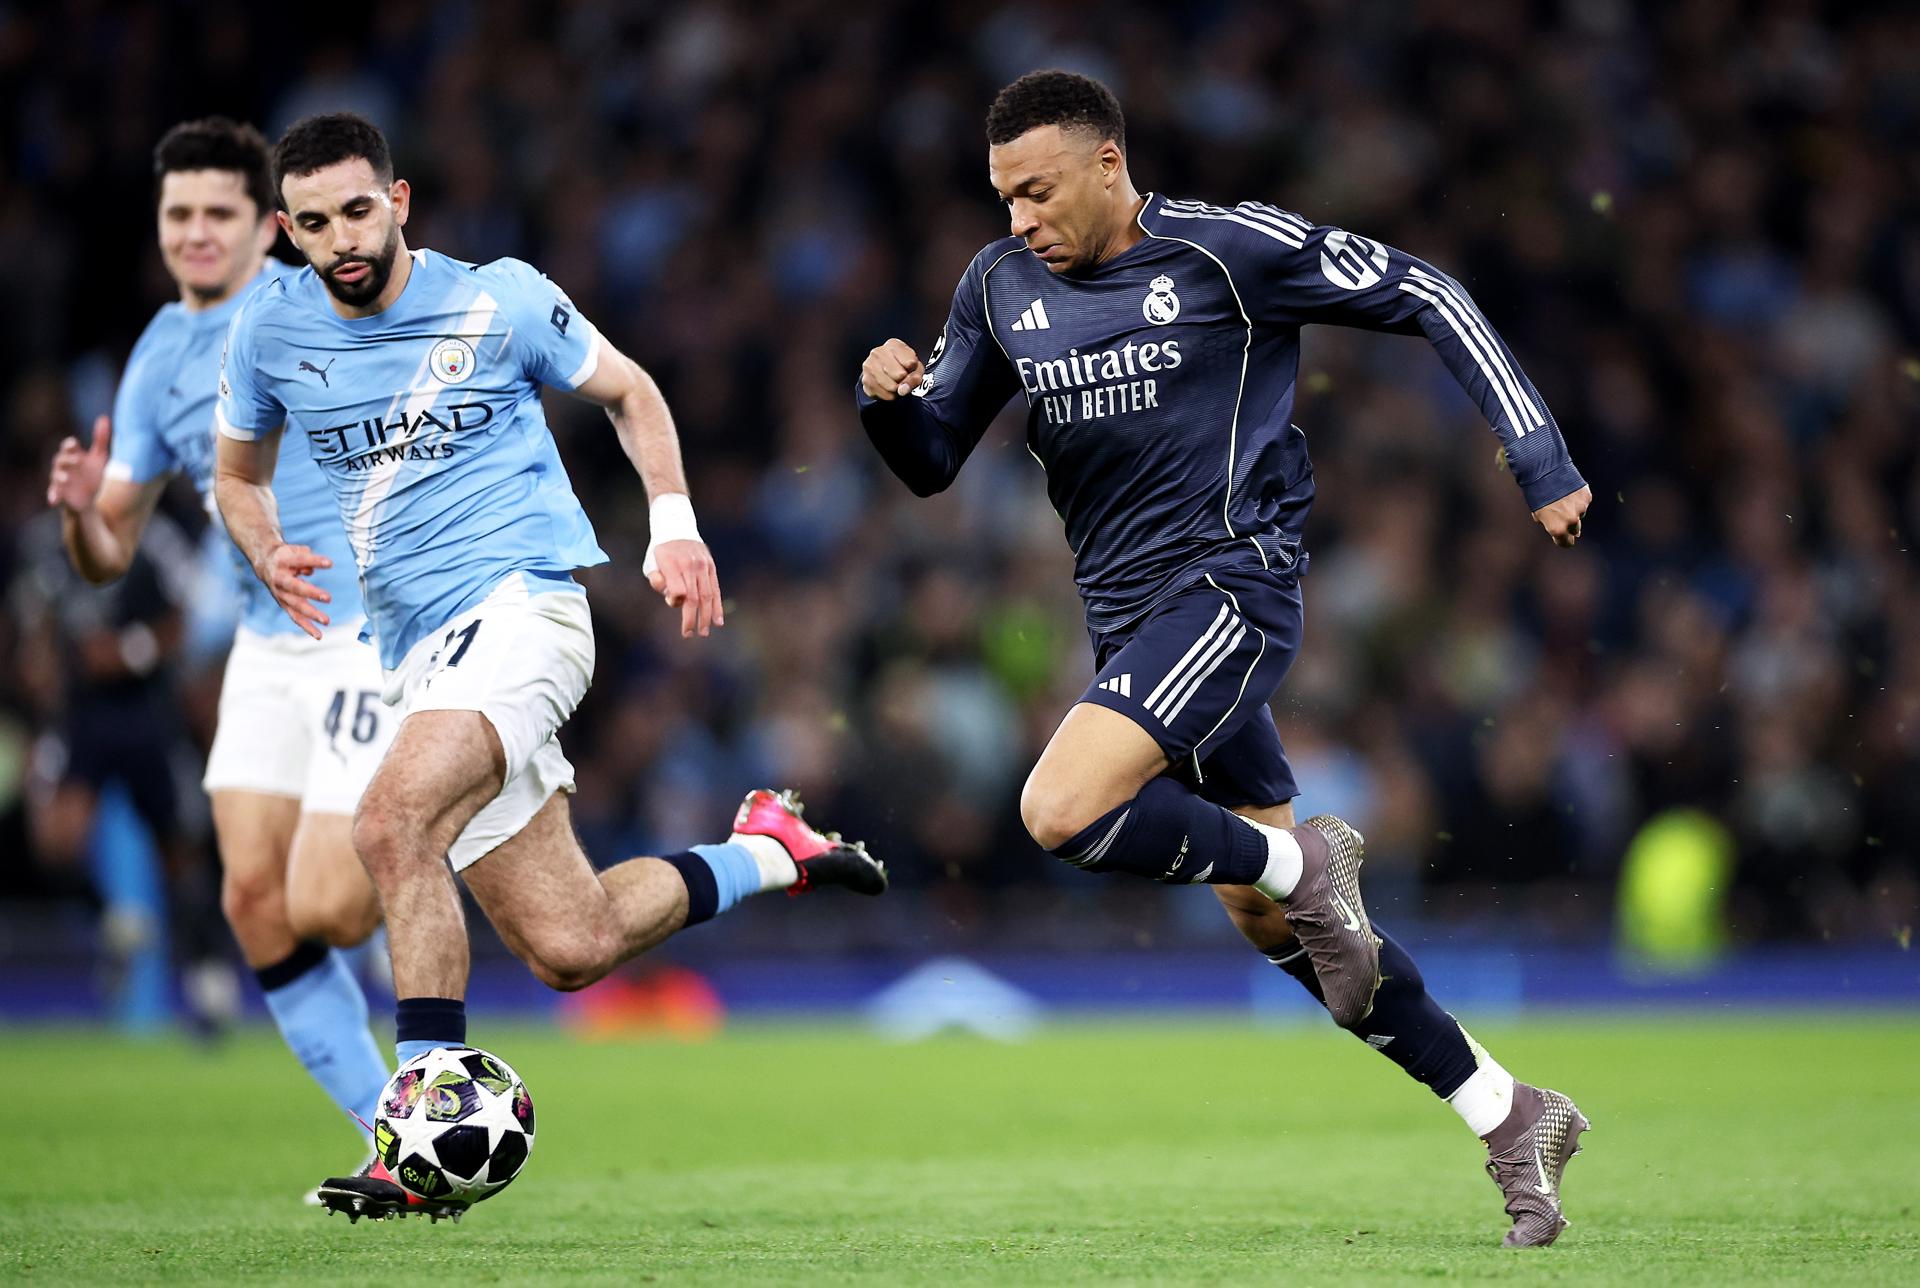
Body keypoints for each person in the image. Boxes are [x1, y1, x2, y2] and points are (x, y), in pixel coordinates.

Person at [857, 70, 1592, 1248]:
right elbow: (933, 454)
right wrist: (885, 400)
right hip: (1130, 624)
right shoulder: (999, 288)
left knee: (1059, 811)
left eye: (1038, 192)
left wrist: (1538, 455)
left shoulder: (1226, 253)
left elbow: (1431, 294)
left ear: (1108, 164)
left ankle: (1309, 861)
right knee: (1269, 919)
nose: (1019, 221)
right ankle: (1511, 1113)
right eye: (1002, 198)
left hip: (1230, 587)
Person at [211, 112, 887, 1221]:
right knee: (572, 944)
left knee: (388, 826)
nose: (341, 234)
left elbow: (632, 390)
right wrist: (262, 546)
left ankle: (412, 1136)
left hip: (525, 609)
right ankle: (772, 851)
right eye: (315, 219)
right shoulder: (270, 334)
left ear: (401, 201)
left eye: (359, 208)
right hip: (416, 656)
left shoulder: (501, 296)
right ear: (285, 229)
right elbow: (239, 474)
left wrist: (673, 522)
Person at [44, 118, 392, 1162]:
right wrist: (77, 512)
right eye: (178, 214)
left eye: (219, 214)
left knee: (329, 904)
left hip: (364, 627)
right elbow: (108, 549)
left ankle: (444, 818)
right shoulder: (155, 356)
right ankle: (394, 1128)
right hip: (262, 647)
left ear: (268, 227)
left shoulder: (319, 298)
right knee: (252, 900)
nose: (196, 233)